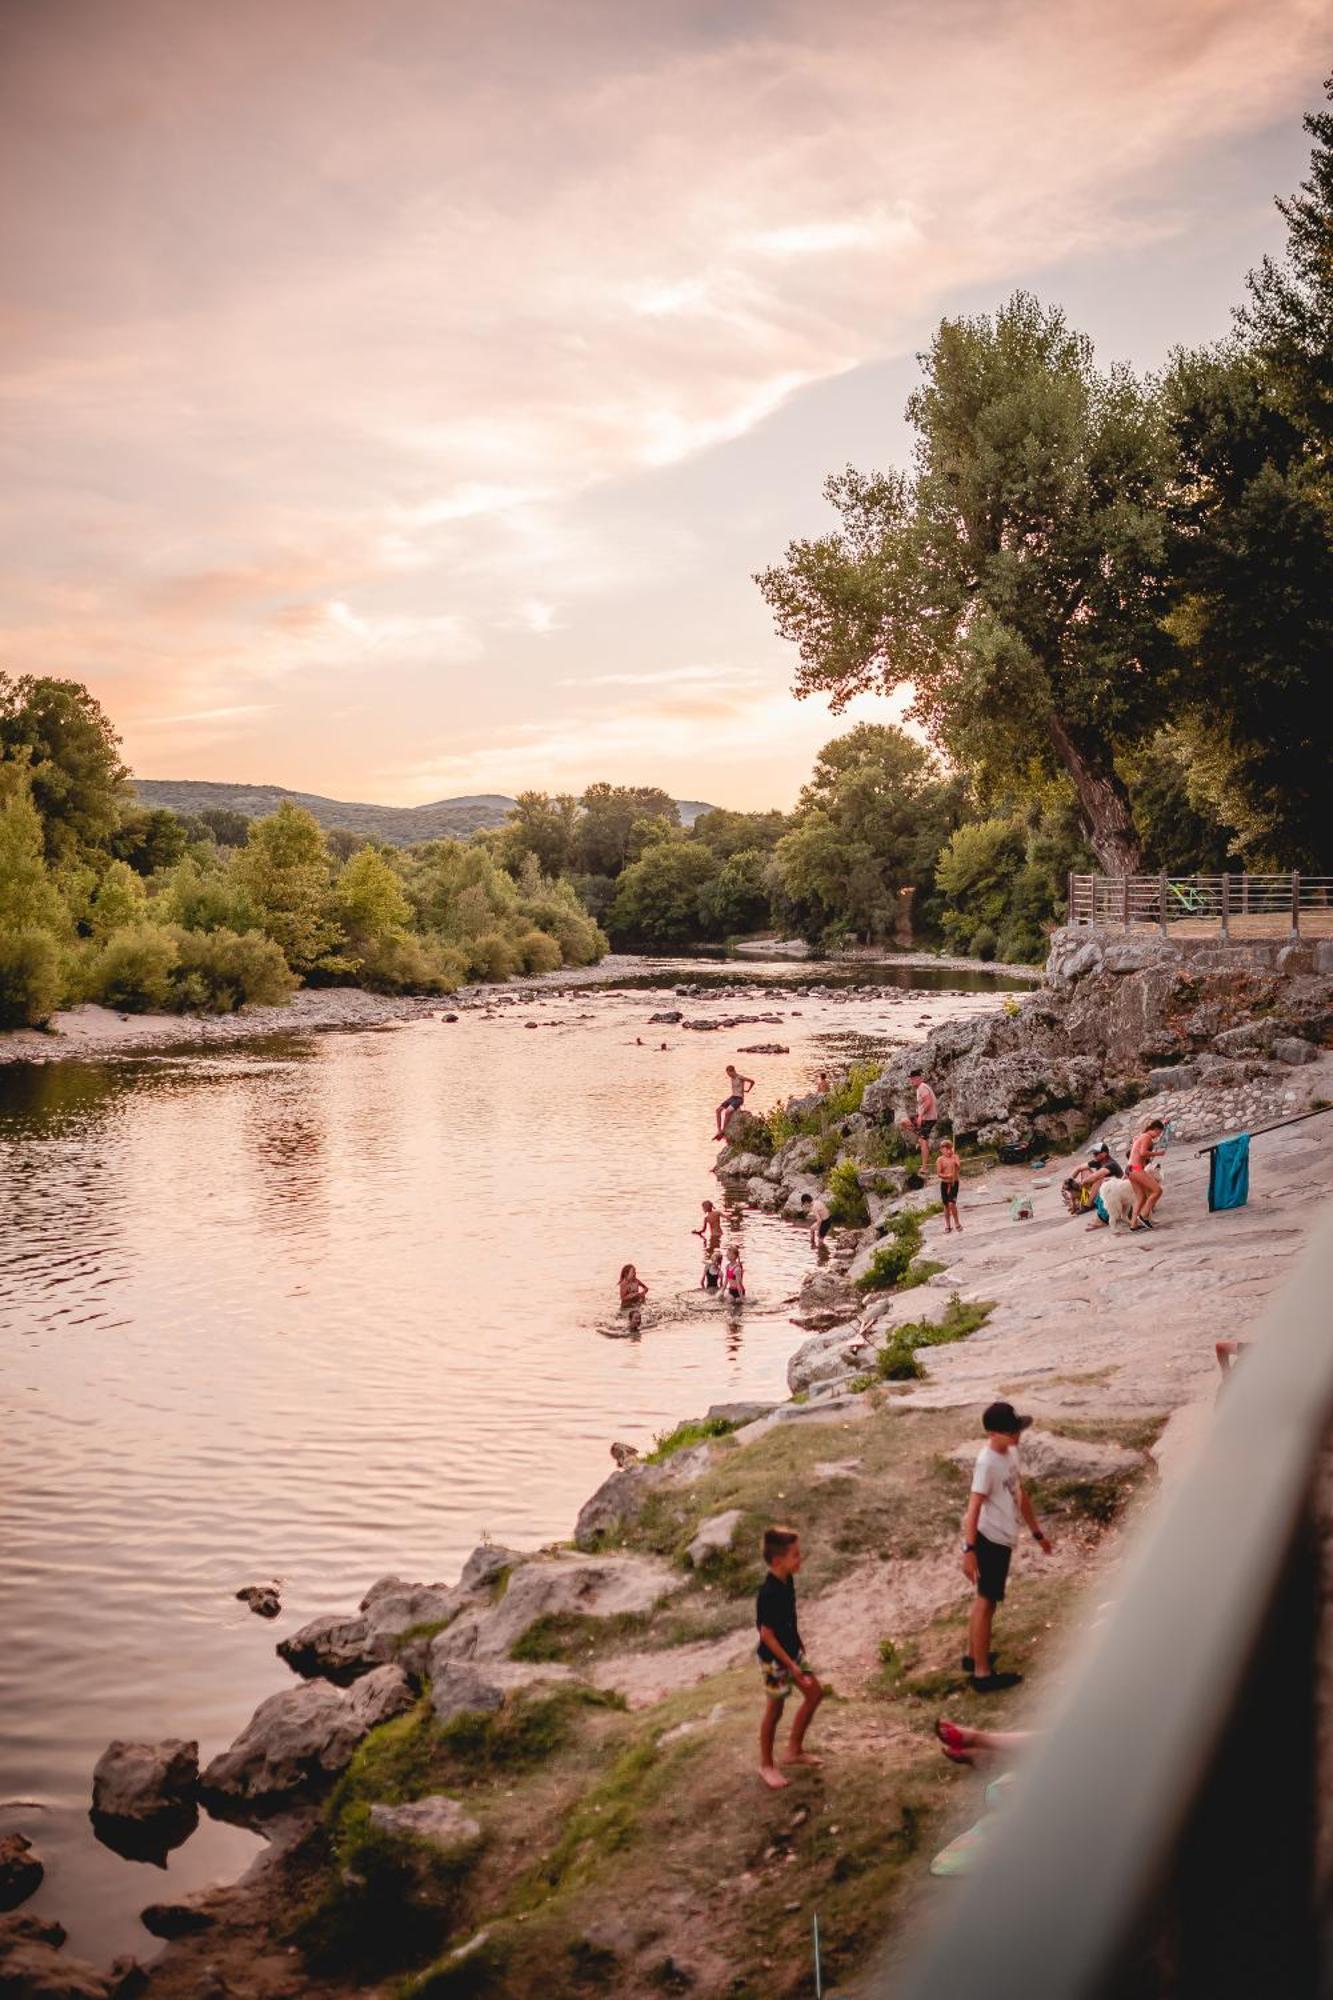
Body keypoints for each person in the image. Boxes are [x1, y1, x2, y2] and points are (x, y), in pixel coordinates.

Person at [960, 1402, 1052, 1694]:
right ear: (993, 1433)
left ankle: (975, 1655)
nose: (1017, 1436)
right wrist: (969, 1551)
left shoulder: (1011, 1454)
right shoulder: (986, 1463)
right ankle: (982, 1674)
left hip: (1004, 1536)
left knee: (985, 1600)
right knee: (987, 1602)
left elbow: (1019, 1493)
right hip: (991, 1539)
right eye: (1012, 1432)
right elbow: (973, 1508)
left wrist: (1037, 1532)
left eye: (1018, 1429)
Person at [755, 1525, 823, 1790]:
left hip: (792, 1652)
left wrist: (798, 1643)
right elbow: (767, 1635)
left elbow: (788, 1619)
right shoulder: (768, 1593)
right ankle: (766, 1764)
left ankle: (793, 1750)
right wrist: (791, 1666)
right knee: (775, 1709)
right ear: (777, 1560)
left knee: (815, 1694)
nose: (800, 1559)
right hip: (774, 1659)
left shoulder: (788, 1580)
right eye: (795, 1555)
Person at [1127, 1119, 1167, 1230]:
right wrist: (1158, 1153)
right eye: (1159, 1133)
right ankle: (1144, 1215)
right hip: (1136, 1169)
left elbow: (1141, 1154)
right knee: (1157, 1191)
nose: (1158, 1136)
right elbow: (1143, 1152)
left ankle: (1133, 1224)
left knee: (1141, 1198)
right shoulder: (1147, 1137)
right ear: (1155, 1129)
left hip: (1130, 1169)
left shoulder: (1142, 1136)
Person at [900, 1071, 937, 1172]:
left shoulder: (922, 1087)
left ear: (919, 1078)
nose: (911, 1081)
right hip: (924, 1117)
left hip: (928, 1118)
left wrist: (920, 1116)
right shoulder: (919, 1088)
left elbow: (928, 1101)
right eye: (911, 1079)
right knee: (903, 1122)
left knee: (923, 1141)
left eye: (913, 1078)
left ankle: (924, 1168)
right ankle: (919, 1138)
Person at [714, 1064, 755, 1141]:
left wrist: (748, 1090)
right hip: (732, 1097)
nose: (729, 1076)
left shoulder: (740, 1077)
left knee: (727, 1112)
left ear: (733, 1071)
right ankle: (719, 1130)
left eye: (729, 1074)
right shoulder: (732, 1078)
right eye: (727, 1074)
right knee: (718, 1110)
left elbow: (752, 1081)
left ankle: (724, 1130)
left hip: (739, 1099)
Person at [936, 1137, 962, 1234]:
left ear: (951, 1148)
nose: (947, 1151)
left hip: (954, 1183)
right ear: (941, 1150)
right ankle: (947, 1225)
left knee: (952, 1203)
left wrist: (956, 1163)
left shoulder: (955, 1157)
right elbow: (939, 1173)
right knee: (946, 1205)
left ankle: (957, 1223)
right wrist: (947, 1176)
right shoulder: (940, 1160)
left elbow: (959, 1167)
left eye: (949, 1149)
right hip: (945, 1184)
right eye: (944, 1149)